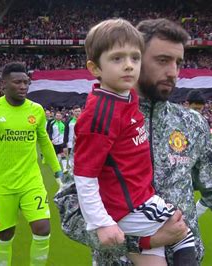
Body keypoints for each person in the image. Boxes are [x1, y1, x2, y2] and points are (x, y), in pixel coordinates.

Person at [55, 18, 212, 266]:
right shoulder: (102, 121)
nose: (173, 71)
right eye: (162, 60)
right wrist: (143, 242)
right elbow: (70, 208)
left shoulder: (191, 123)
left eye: (178, 62)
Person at [73, 18, 197, 266]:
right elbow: (84, 175)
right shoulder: (100, 113)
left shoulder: (126, 96)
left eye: (135, 58)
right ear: (95, 68)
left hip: (138, 199)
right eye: (117, 58)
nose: (129, 66)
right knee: (183, 233)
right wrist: (102, 223)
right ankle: (146, 240)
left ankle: (146, 243)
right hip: (131, 204)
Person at [0, 62, 63, 266]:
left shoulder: (36, 110)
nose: (23, 86)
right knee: (4, 236)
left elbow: (45, 141)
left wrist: (58, 171)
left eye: (26, 82)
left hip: (31, 182)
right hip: (2, 185)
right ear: (4, 85)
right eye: (17, 82)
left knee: (42, 228)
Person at [64, 105, 81, 170]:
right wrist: (64, 145)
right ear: (73, 112)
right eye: (76, 111)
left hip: (81, 144)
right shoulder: (69, 121)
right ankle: (72, 173)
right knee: (72, 159)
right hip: (70, 144)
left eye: (79, 111)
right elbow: (66, 133)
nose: (77, 113)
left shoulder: (83, 120)